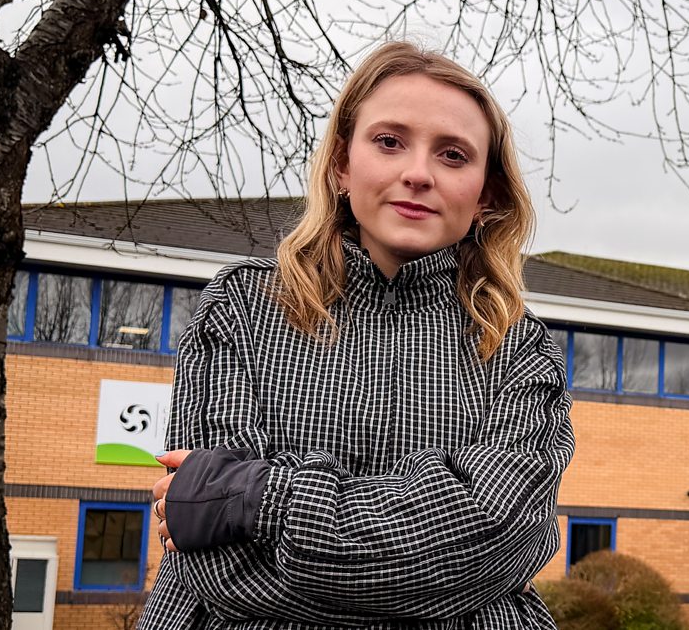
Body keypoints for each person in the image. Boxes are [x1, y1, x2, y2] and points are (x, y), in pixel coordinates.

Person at [136, 41, 575, 629]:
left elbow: (500, 534)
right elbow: (219, 566)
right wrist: (436, 558)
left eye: (452, 155)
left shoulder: (519, 347)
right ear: (342, 164)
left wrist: (260, 496)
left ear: (486, 194)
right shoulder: (241, 308)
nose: (417, 174)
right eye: (389, 141)